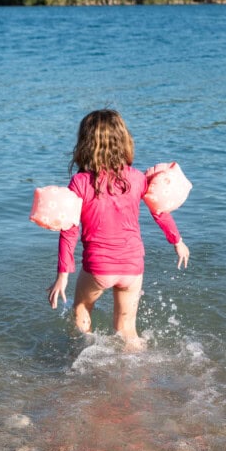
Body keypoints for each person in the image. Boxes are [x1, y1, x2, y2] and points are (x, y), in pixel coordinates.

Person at [47, 109, 189, 349]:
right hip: (133, 266)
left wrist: (62, 276)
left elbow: (69, 229)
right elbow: (159, 210)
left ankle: (83, 355)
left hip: (99, 267)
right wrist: (178, 242)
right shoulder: (136, 178)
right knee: (127, 332)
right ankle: (139, 375)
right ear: (123, 141)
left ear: (85, 144)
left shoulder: (80, 183)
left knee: (81, 308)